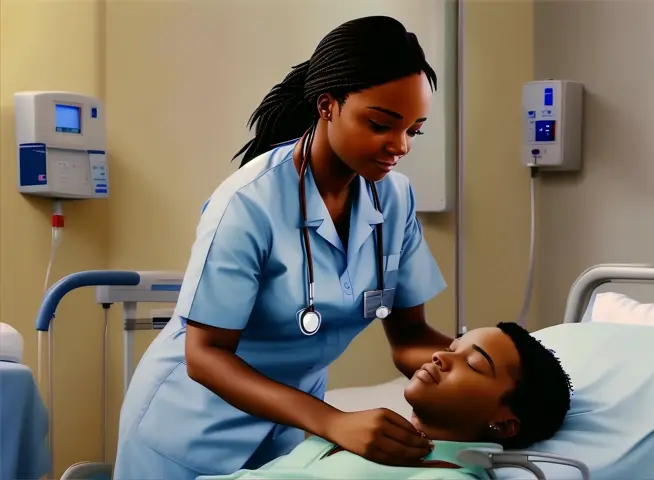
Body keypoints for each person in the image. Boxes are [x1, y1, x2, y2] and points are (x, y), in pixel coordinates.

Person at [113, 15, 456, 480]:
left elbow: (410, 339)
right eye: (380, 124)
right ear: (328, 105)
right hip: (190, 429)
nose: (399, 147)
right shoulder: (249, 203)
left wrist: (477, 363)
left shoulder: (396, 199)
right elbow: (206, 354)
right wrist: (332, 421)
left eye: (414, 130)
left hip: (289, 431)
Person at [194, 322, 575, 480]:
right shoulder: (363, 433)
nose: (442, 357)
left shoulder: (445, 477)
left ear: (505, 423)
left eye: (473, 364)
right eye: (452, 347)